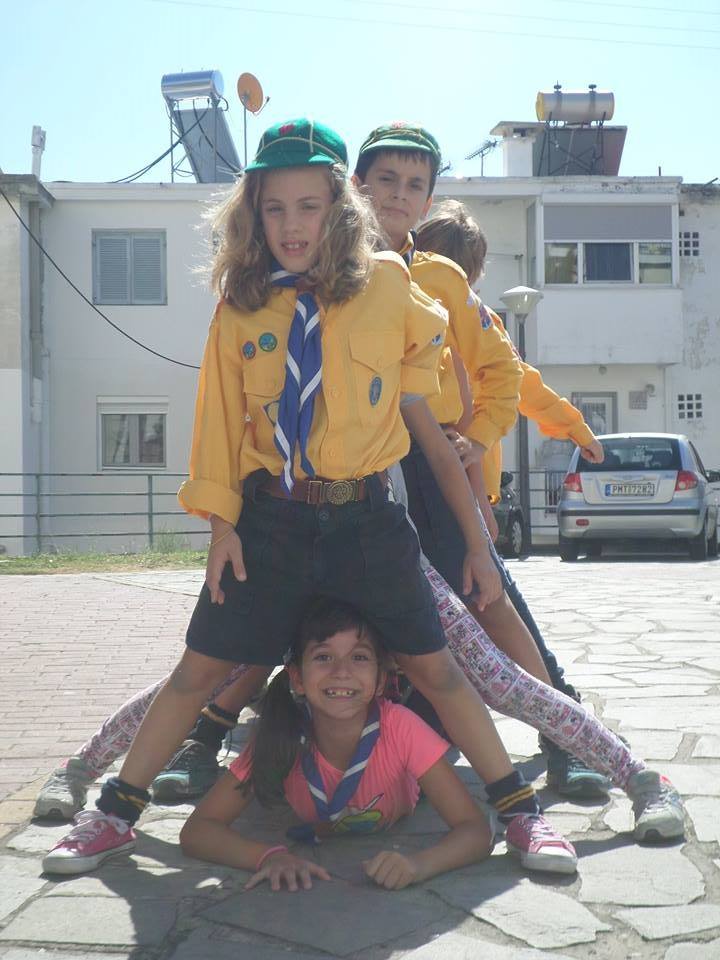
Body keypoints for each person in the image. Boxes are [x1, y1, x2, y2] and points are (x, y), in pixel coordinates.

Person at [42, 118, 565, 877]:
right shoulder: (241, 306)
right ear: (252, 215)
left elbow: (428, 385)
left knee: (437, 669)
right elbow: (218, 423)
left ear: (339, 209)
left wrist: (475, 518)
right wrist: (222, 527)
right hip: (273, 519)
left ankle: (520, 816)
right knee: (199, 670)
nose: (292, 225)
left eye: (309, 206)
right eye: (274, 208)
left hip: (366, 517)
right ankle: (115, 814)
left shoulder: (391, 287)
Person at [352, 123, 609, 797]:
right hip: (347, 462)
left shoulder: (439, 278)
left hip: (430, 462)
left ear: (427, 198)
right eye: (386, 180)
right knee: (293, 600)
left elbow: (506, 370)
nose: (398, 195)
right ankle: (224, 735)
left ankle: (565, 733)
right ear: (356, 186)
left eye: (415, 185)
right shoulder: (328, 270)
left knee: (488, 597)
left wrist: (479, 439)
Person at [414, 198, 612, 793]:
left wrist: (570, 426)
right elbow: (524, 382)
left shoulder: (470, 319)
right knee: (467, 605)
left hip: (460, 484)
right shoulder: (402, 301)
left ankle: (561, 720)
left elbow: (514, 379)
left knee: (491, 601)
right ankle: (440, 725)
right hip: (431, 476)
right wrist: (573, 427)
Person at [180, 597, 494, 890]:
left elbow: (476, 831)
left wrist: (418, 865)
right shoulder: (279, 734)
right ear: (297, 679)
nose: (341, 672)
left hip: (413, 738)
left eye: (359, 657)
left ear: (381, 679)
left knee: (440, 713)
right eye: (323, 657)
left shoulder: (402, 728)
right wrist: (267, 857)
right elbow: (198, 830)